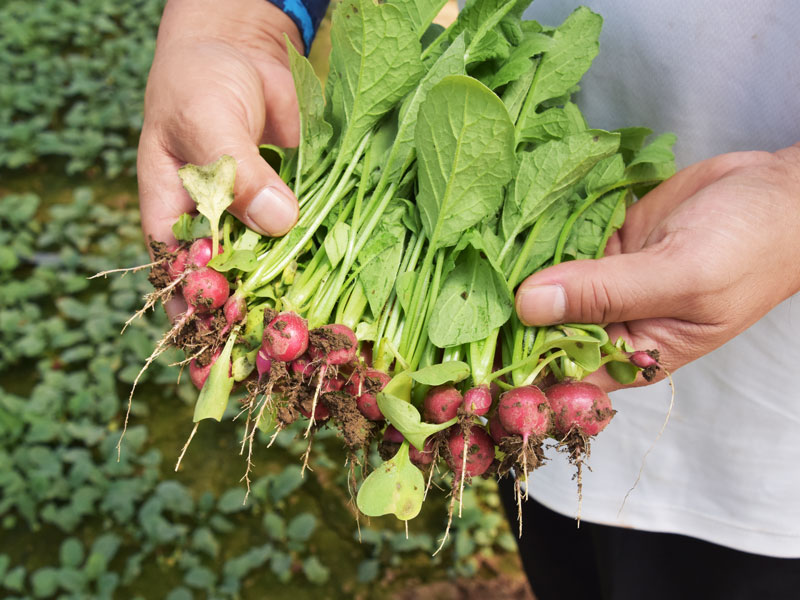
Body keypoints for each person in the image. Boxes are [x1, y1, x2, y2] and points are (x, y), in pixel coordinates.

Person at [137, 0, 800, 597]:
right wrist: (235, 18)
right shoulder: (500, 407)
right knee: (559, 554)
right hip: (521, 417)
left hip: (769, 426)